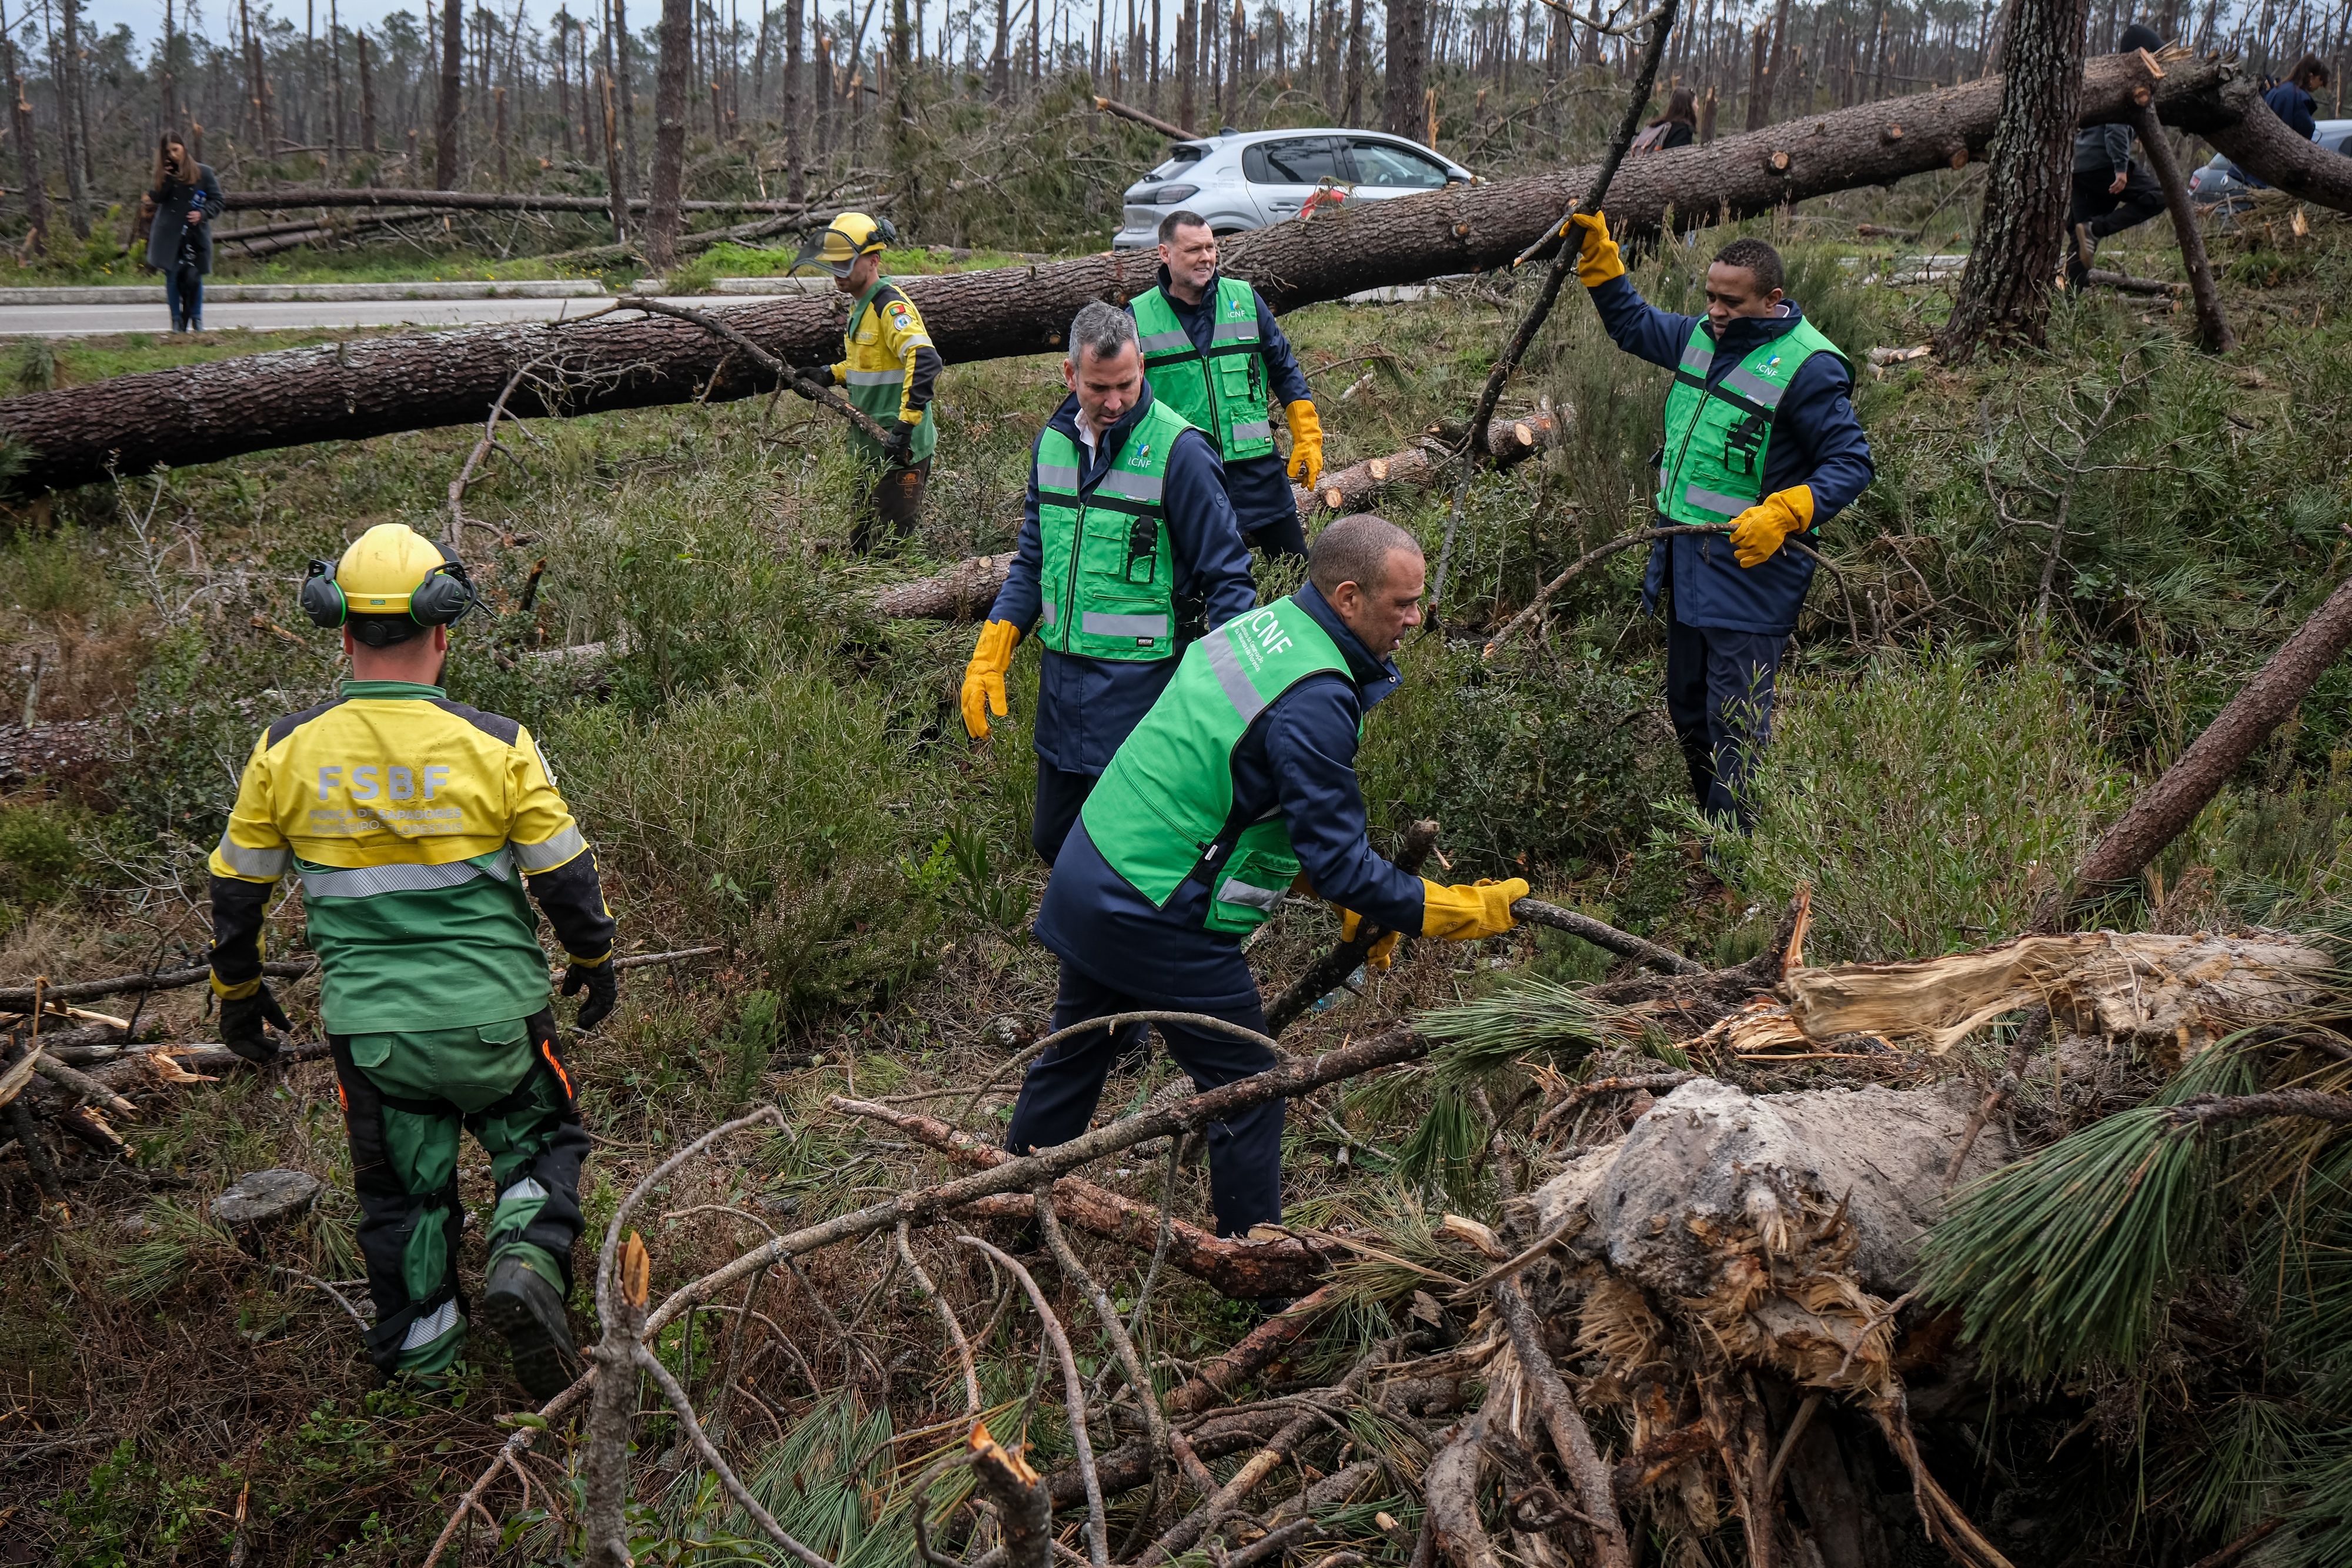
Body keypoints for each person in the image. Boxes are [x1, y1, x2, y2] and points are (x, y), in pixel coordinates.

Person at [1003, 514, 1528, 1258]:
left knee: (1078, 1052)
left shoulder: (1267, 628)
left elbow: (1247, 799)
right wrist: (1454, 910)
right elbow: (1338, 860)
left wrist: (1349, 896)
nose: (1416, 619)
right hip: (1154, 908)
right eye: (1403, 604)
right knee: (1251, 1085)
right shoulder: (1314, 696)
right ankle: (1251, 1268)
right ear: (1348, 598)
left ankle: (1008, 1212)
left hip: (1096, 866)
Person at [206, 523, 619, 1395]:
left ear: (342, 632)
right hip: (498, 1019)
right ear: (443, 628)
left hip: (375, 1036)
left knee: (401, 1200)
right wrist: (595, 957)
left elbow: (237, 889)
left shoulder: (285, 750)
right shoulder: (496, 742)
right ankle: (525, 1261)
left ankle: (426, 1367)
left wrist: (237, 990)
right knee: (542, 1141)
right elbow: (564, 874)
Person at [1565, 215, 1874, 831]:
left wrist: (1786, 512)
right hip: (1687, 561)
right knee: (1687, 707)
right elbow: (1632, 325)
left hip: (1753, 573)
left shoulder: (1808, 367)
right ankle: (1719, 829)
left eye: (1731, 301)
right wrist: (1601, 264)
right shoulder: (1701, 337)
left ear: (1771, 299)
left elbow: (1852, 462)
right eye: (1709, 296)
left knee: (1735, 721)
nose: (1715, 311)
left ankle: (1736, 855)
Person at [960, 301, 1257, 864]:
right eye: (1099, 388)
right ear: (1070, 374)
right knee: (1054, 842)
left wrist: (1233, 696)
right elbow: (1033, 562)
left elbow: (1229, 579)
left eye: (1126, 383)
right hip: (1063, 696)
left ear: (1142, 364)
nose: (1115, 402)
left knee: (1128, 858)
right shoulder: (1052, 444)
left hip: (1143, 697)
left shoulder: (1181, 453)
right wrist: (992, 651)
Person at [1126, 210, 1323, 560]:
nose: (1206, 257)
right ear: (1165, 253)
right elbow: (1121, 398)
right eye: (1193, 250)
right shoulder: (1138, 318)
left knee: (1294, 568)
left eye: (1210, 247)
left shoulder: (1244, 300)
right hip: (1187, 477)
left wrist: (1307, 436)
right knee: (1207, 579)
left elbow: (1283, 368)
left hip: (1258, 472)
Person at [791, 211, 943, 551]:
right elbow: (869, 365)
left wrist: (905, 426)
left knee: (890, 548)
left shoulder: (889, 306)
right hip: (869, 445)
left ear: (873, 260)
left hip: (900, 448)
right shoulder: (860, 306)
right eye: (834, 263)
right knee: (861, 541)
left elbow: (924, 359)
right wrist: (829, 374)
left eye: (846, 263)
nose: (838, 272)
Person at [2068, 23, 2170, 279]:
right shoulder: (2128, 79)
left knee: (2081, 238)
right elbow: (2115, 127)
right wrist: (2121, 168)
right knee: (2157, 197)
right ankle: (2097, 228)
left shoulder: (2105, 74)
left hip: (2080, 166)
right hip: (2103, 163)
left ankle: (2069, 298)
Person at [141, 134, 222, 333]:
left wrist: (202, 214)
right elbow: (156, 198)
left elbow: (218, 200)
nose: (173, 155)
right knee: (173, 275)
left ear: (184, 148)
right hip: (169, 232)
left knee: (195, 276)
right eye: (168, 152)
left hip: (195, 233)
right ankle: (176, 321)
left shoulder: (204, 173)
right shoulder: (163, 174)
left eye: (175, 150)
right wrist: (166, 178)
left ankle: (197, 319)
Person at [1631, 86, 1699, 152]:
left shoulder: (1659, 125)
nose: (1698, 107)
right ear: (1689, 106)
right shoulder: (1683, 131)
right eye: (1696, 103)